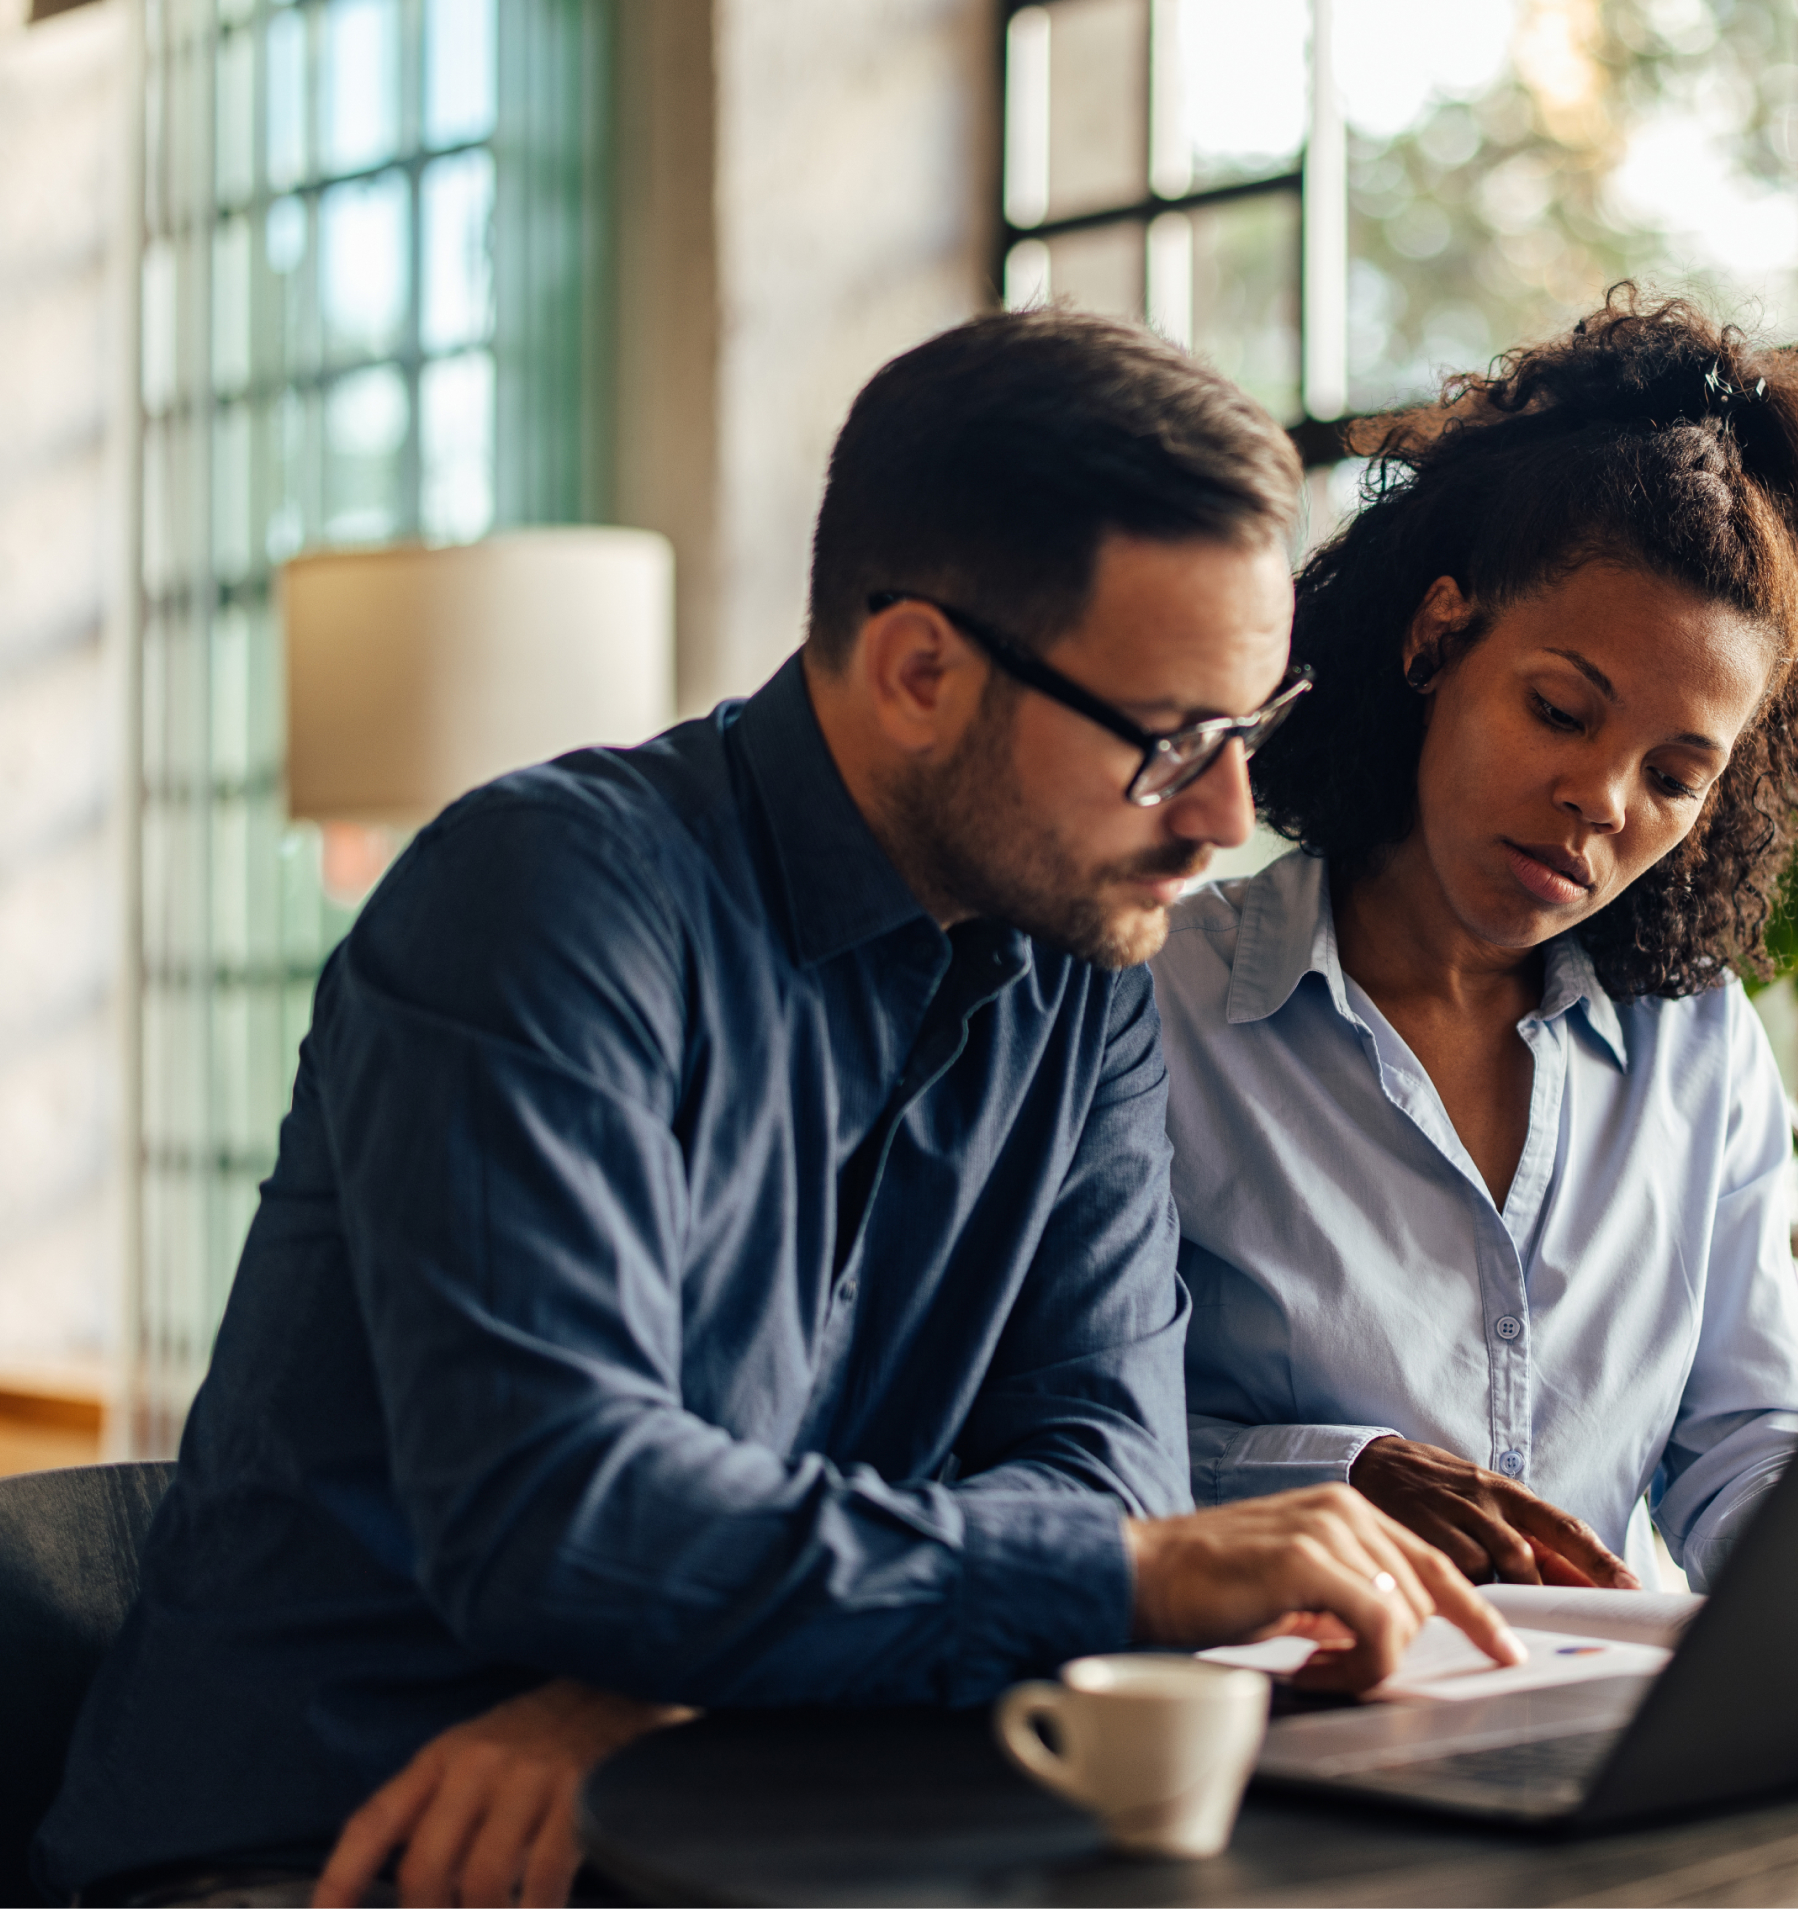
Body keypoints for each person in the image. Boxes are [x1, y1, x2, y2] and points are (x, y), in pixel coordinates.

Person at [36, 310, 1515, 1909]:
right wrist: (1107, 1581)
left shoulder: (1082, 967)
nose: (1222, 819)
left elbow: (1104, 1458)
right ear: (918, 669)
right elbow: (570, 1513)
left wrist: (684, 1671)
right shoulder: (539, 903)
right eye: (1169, 745)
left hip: (738, 1793)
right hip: (326, 1845)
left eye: (1248, 730)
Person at [1154, 289, 1798, 1593]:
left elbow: (1746, 1439)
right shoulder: (1164, 1010)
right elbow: (1063, 1442)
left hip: (1596, 1731)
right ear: (1440, 635)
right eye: (1561, 711)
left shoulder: (1695, 1045)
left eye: (1675, 775)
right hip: (1282, 1727)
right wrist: (1338, 1470)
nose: (1603, 801)